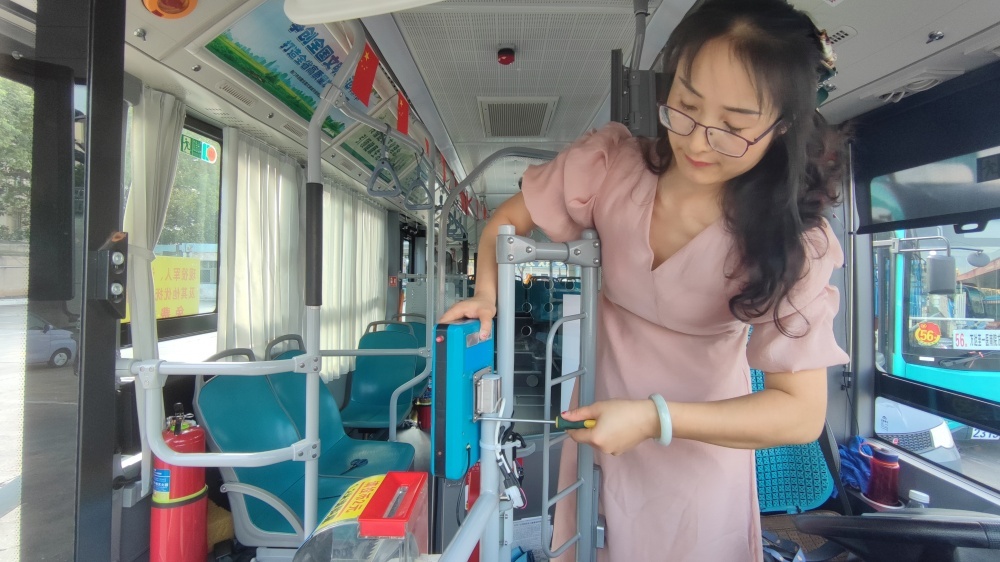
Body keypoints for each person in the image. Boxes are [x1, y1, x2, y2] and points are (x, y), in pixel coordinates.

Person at [440, 0, 850, 559]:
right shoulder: (612, 168)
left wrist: (656, 418)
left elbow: (800, 413)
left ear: (780, 128)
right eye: (686, 107)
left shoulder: (790, 239)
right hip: (597, 423)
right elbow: (507, 223)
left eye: (732, 128)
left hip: (700, 447)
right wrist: (487, 294)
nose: (698, 142)